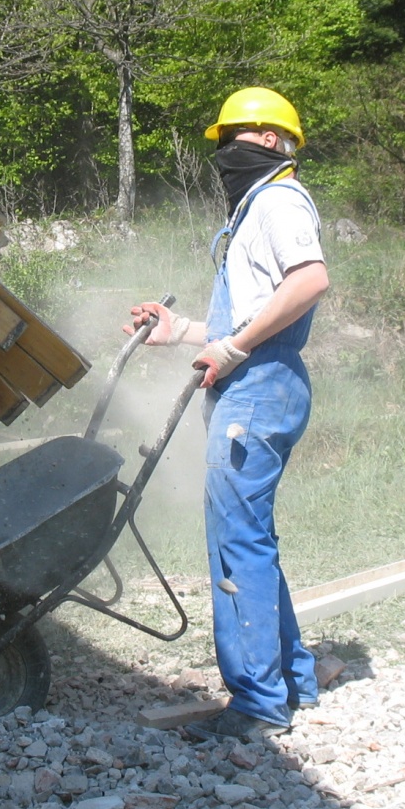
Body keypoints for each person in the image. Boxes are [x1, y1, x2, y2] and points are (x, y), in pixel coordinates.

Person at [125, 86, 329, 742]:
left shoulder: (278, 200)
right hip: (258, 381)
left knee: (237, 541)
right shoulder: (254, 208)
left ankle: (258, 702)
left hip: (259, 386)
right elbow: (244, 316)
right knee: (250, 537)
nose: (224, 157)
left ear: (269, 139)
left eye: (231, 141)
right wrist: (182, 331)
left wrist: (235, 349)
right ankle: (292, 679)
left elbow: (309, 281)